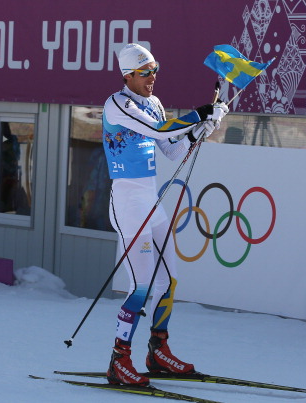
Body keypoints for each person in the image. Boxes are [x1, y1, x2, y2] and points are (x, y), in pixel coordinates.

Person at [102, 43, 228, 386]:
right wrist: (200, 114)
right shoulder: (118, 104)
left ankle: (158, 351)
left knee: (168, 281)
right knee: (140, 285)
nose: (152, 77)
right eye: (145, 72)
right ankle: (119, 359)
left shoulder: (153, 103)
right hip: (128, 202)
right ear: (128, 75)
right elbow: (158, 130)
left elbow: (171, 149)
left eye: (155, 69)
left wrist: (201, 130)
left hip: (151, 200)